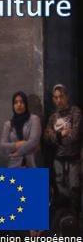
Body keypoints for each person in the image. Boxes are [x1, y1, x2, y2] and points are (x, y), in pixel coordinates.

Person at [43, 84, 81, 214]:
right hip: (58, 159)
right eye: (56, 97)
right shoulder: (53, 117)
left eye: (61, 97)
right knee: (61, 192)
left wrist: (57, 137)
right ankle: (64, 221)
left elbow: (75, 136)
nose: (58, 100)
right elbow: (47, 138)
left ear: (67, 97)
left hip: (74, 159)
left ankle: (76, 223)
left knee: (74, 190)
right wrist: (61, 134)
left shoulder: (75, 112)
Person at [0, 91, 41, 168]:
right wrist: (17, 144)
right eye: (15, 102)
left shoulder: (34, 119)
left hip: (31, 165)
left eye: (21, 102)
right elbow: (2, 147)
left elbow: (34, 141)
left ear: (26, 104)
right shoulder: (8, 124)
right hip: (13, 166)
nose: (19, 105)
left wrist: (18, 153)